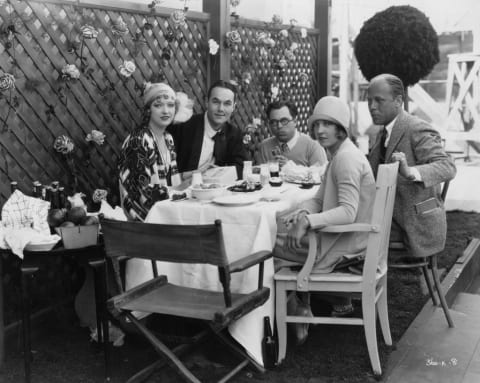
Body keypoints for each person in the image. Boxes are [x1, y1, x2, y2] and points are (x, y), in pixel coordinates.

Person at [275, 96, 376, 343]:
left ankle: (295, 308)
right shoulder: (339, 154)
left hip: (345, 245)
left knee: (266, 245)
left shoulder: (346, 159)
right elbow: (319, 200)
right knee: (280, 228)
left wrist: (308, 223)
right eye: (317, 124)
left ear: (341, 128)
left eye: (328, 124)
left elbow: (347, 212)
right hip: (345, 238)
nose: (320, 130)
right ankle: (301, 304)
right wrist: (303, 213)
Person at [367, 73, 456, 257]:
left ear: (398, 101)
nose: (372, 107)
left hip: (415, 222)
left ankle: (354, 277)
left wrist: (410, 172)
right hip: (390, 217)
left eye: (379, 100)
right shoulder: (381, 132)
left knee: (350, 232)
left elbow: (447, 166)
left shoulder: (415, 128)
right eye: (369, 101)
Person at [118, 82, 192, 220]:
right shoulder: (138, 140)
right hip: (142, 220)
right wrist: (179, 188)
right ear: (148, 110)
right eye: (158, 105)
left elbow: (172, 182)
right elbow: (140, 192)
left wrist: (188, 181)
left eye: (170, 105)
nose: (166, 111)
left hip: (166, 212)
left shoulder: (168, 138)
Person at [168, 80, 250, 179]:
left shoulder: (233, 133)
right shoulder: (184, 126)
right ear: (207, 102)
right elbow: (167, 170)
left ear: (233, 107)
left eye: (227, 104)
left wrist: (218, 172)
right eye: (216, 102)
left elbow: (241, 167)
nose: (221, 109)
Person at [255, 100, 327, 167]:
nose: (279, 126)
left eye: (284, 121)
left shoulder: (312, 146)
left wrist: (291, 168)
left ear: (295, 121)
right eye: (274, 122)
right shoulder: (265, 147)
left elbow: (322, 176)